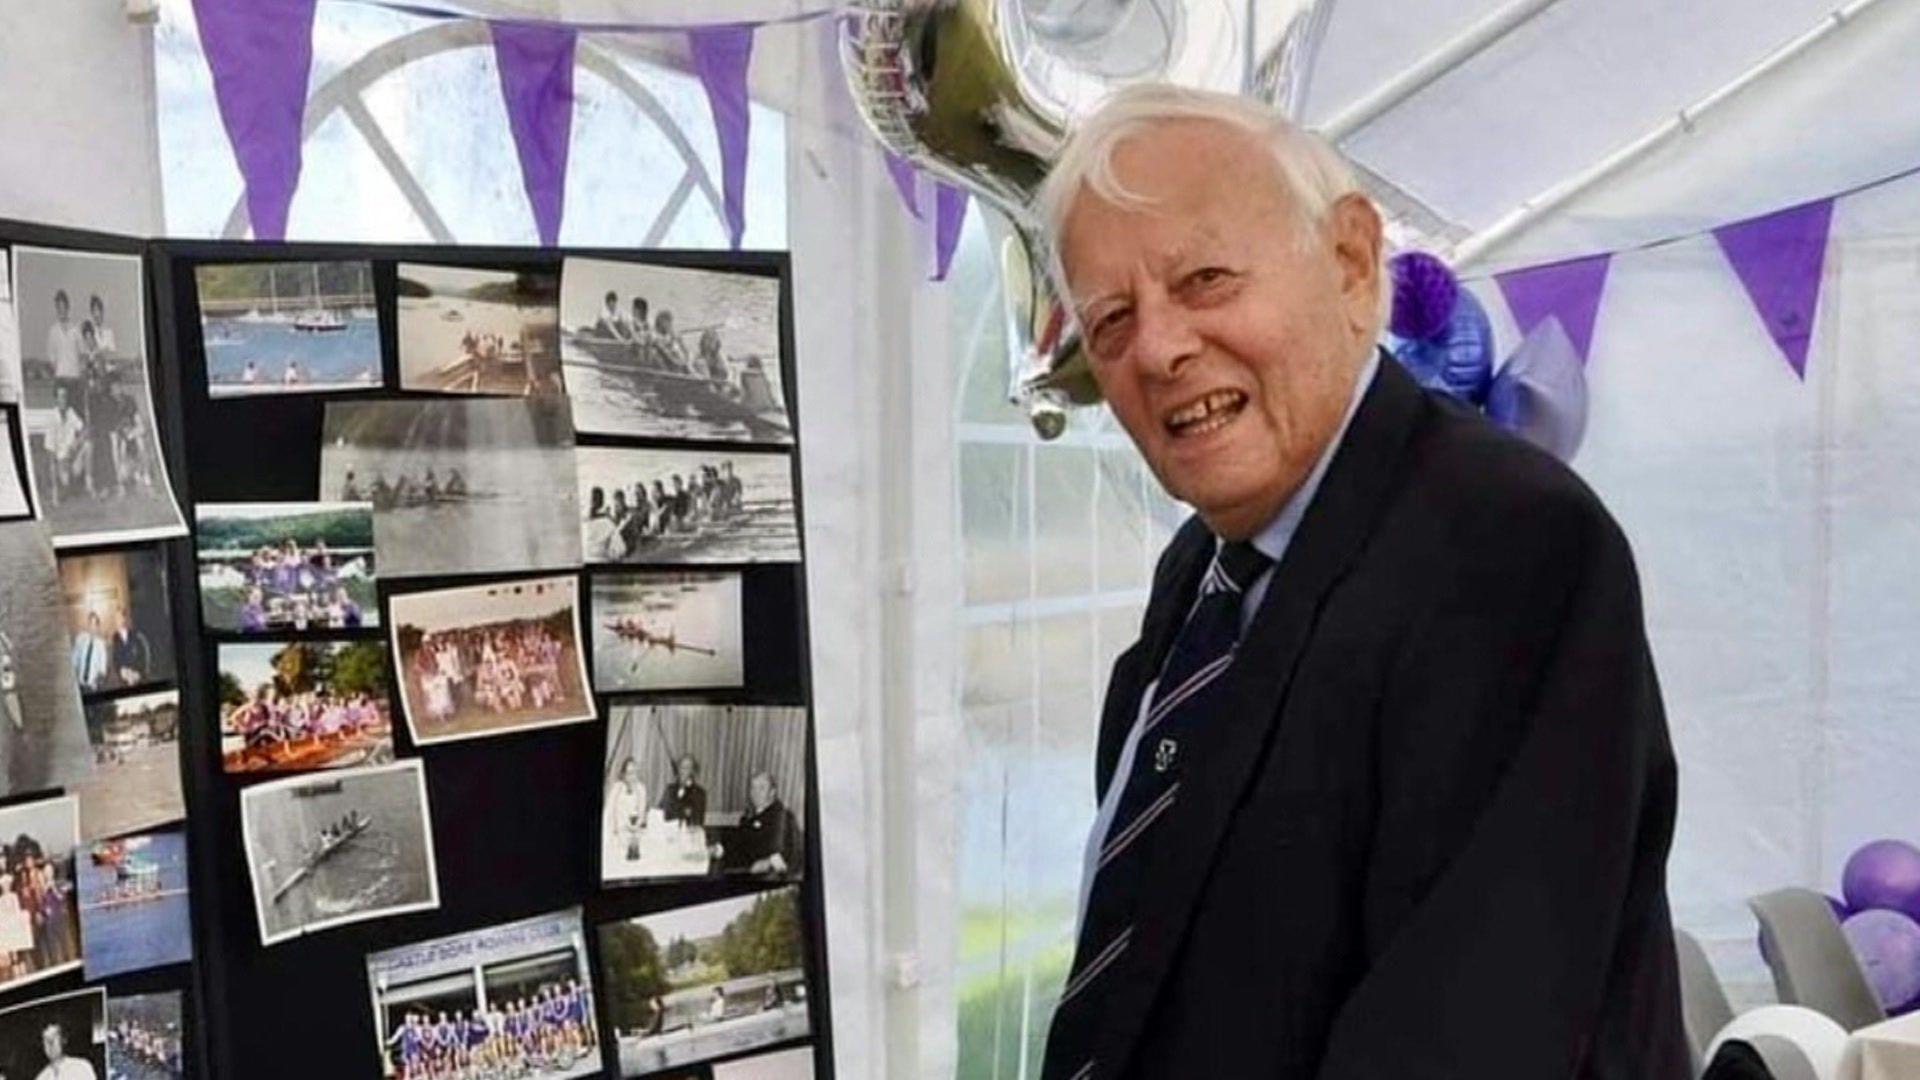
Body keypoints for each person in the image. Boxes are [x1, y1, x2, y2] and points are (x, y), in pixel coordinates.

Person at [1031, 85, 1687, 1079]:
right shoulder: (1202, 573)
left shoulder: (1509, 549)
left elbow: (1461, 1041)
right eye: (1113, 319)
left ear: (1349, 262)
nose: (1159, 348)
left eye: (1206, 278)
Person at [715, 771, 798, 876]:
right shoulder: (750, 813)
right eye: (753, 788)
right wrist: (718, 849)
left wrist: (769, 862)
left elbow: (792, 853)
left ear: (772, 792)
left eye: (761, 788)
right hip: (739, 867)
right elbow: (738, 839)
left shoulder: (783, 816)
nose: (755, 793)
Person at [606, 757, 647, 863]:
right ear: (623, 774)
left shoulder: (641, 789)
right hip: (617, 832)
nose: (633, 776)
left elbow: (642, 814)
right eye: (629, 773)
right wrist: (613, 831)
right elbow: (610, 812)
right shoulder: (617, 788)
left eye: (635, 772)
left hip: (634, 834)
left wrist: (636, 826)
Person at [107, 606, 150, 690]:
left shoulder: (137, 635)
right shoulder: (114, 638)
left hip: (138, 678)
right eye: (116, 619)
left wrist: (138, 674)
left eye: (120, 618)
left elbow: (144, 656)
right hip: (123, 681)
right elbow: (115, 660)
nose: (118, 621)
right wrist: (121, 673)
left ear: (124, 619)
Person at [659, 754, 706, 827]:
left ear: (693, 771)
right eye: (681, 766)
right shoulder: (669, 790)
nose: (682, 770)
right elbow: (660, 812)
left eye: (687, 767)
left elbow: (697, 819)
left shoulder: (699, 793)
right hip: (668, 832)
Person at [69, 611, 107, 693]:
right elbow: (73, 661)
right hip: (80, 686)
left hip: (92, 687)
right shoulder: (81, 639)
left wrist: (97, 682)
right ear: (88, 625)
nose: (92, 627)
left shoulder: (101, 644)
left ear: (97, 626)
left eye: (95, 624)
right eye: (90, 624)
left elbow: (103, 670)